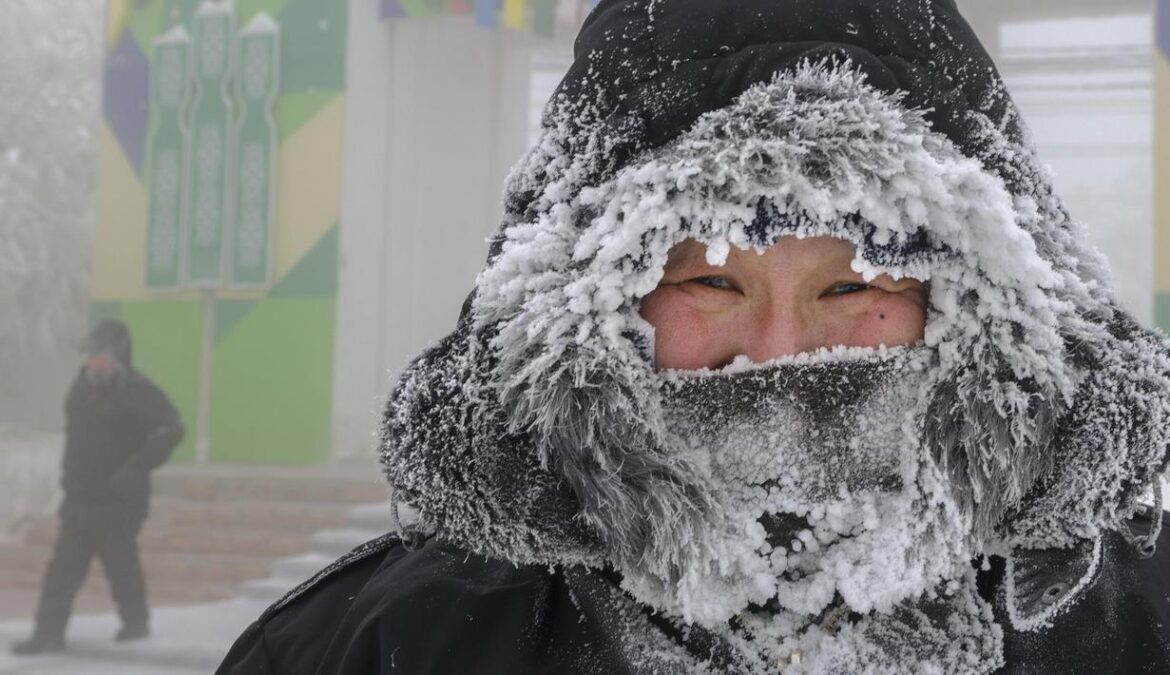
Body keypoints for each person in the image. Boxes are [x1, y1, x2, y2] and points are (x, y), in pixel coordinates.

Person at [217, 0, 1170, 672]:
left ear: (978, 310)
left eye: (853, 285)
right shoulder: (381, 648)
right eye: (712, 279)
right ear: (586, 313)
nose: (780, 350)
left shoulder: (1142, 625)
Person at [11, 320, 184, 655]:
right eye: (90, 355)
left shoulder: (138, 390)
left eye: (100, 355)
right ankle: (48, 634)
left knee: (121, 564)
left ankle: (135, 621)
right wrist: (69, 481)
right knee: (62, 571)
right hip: (80, 498)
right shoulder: (81, 391)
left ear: (119, 354)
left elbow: (172, 428)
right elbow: (77, 443)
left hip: (120, 500)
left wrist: (138, 466)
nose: (93, 362)